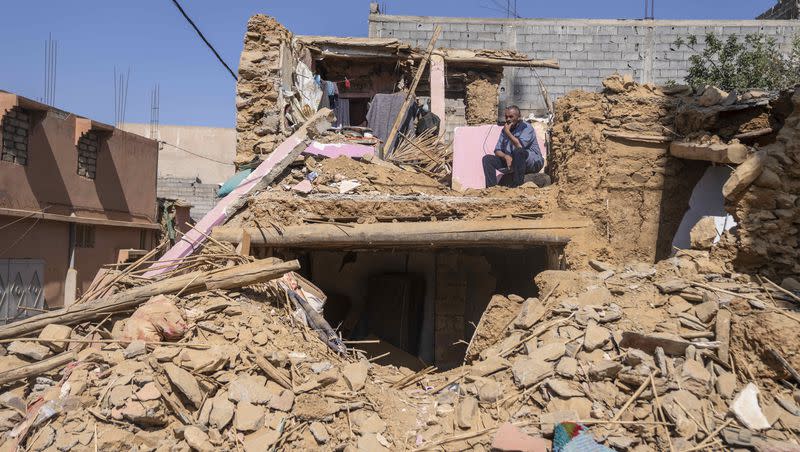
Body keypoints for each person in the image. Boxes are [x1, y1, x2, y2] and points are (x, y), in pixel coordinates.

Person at [482, 105, 544, 188]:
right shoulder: (505, 130)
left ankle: (517, 185)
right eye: (506, 117)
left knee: (518, 152)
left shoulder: (526, 127)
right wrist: (505, 156)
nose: (508, 119)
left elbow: (520, 146)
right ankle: (491, 188)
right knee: (487, 159)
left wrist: (508, 133)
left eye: (511, 117)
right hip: (513, 161)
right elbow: (497, 150)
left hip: (532, 162)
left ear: (518, 117)